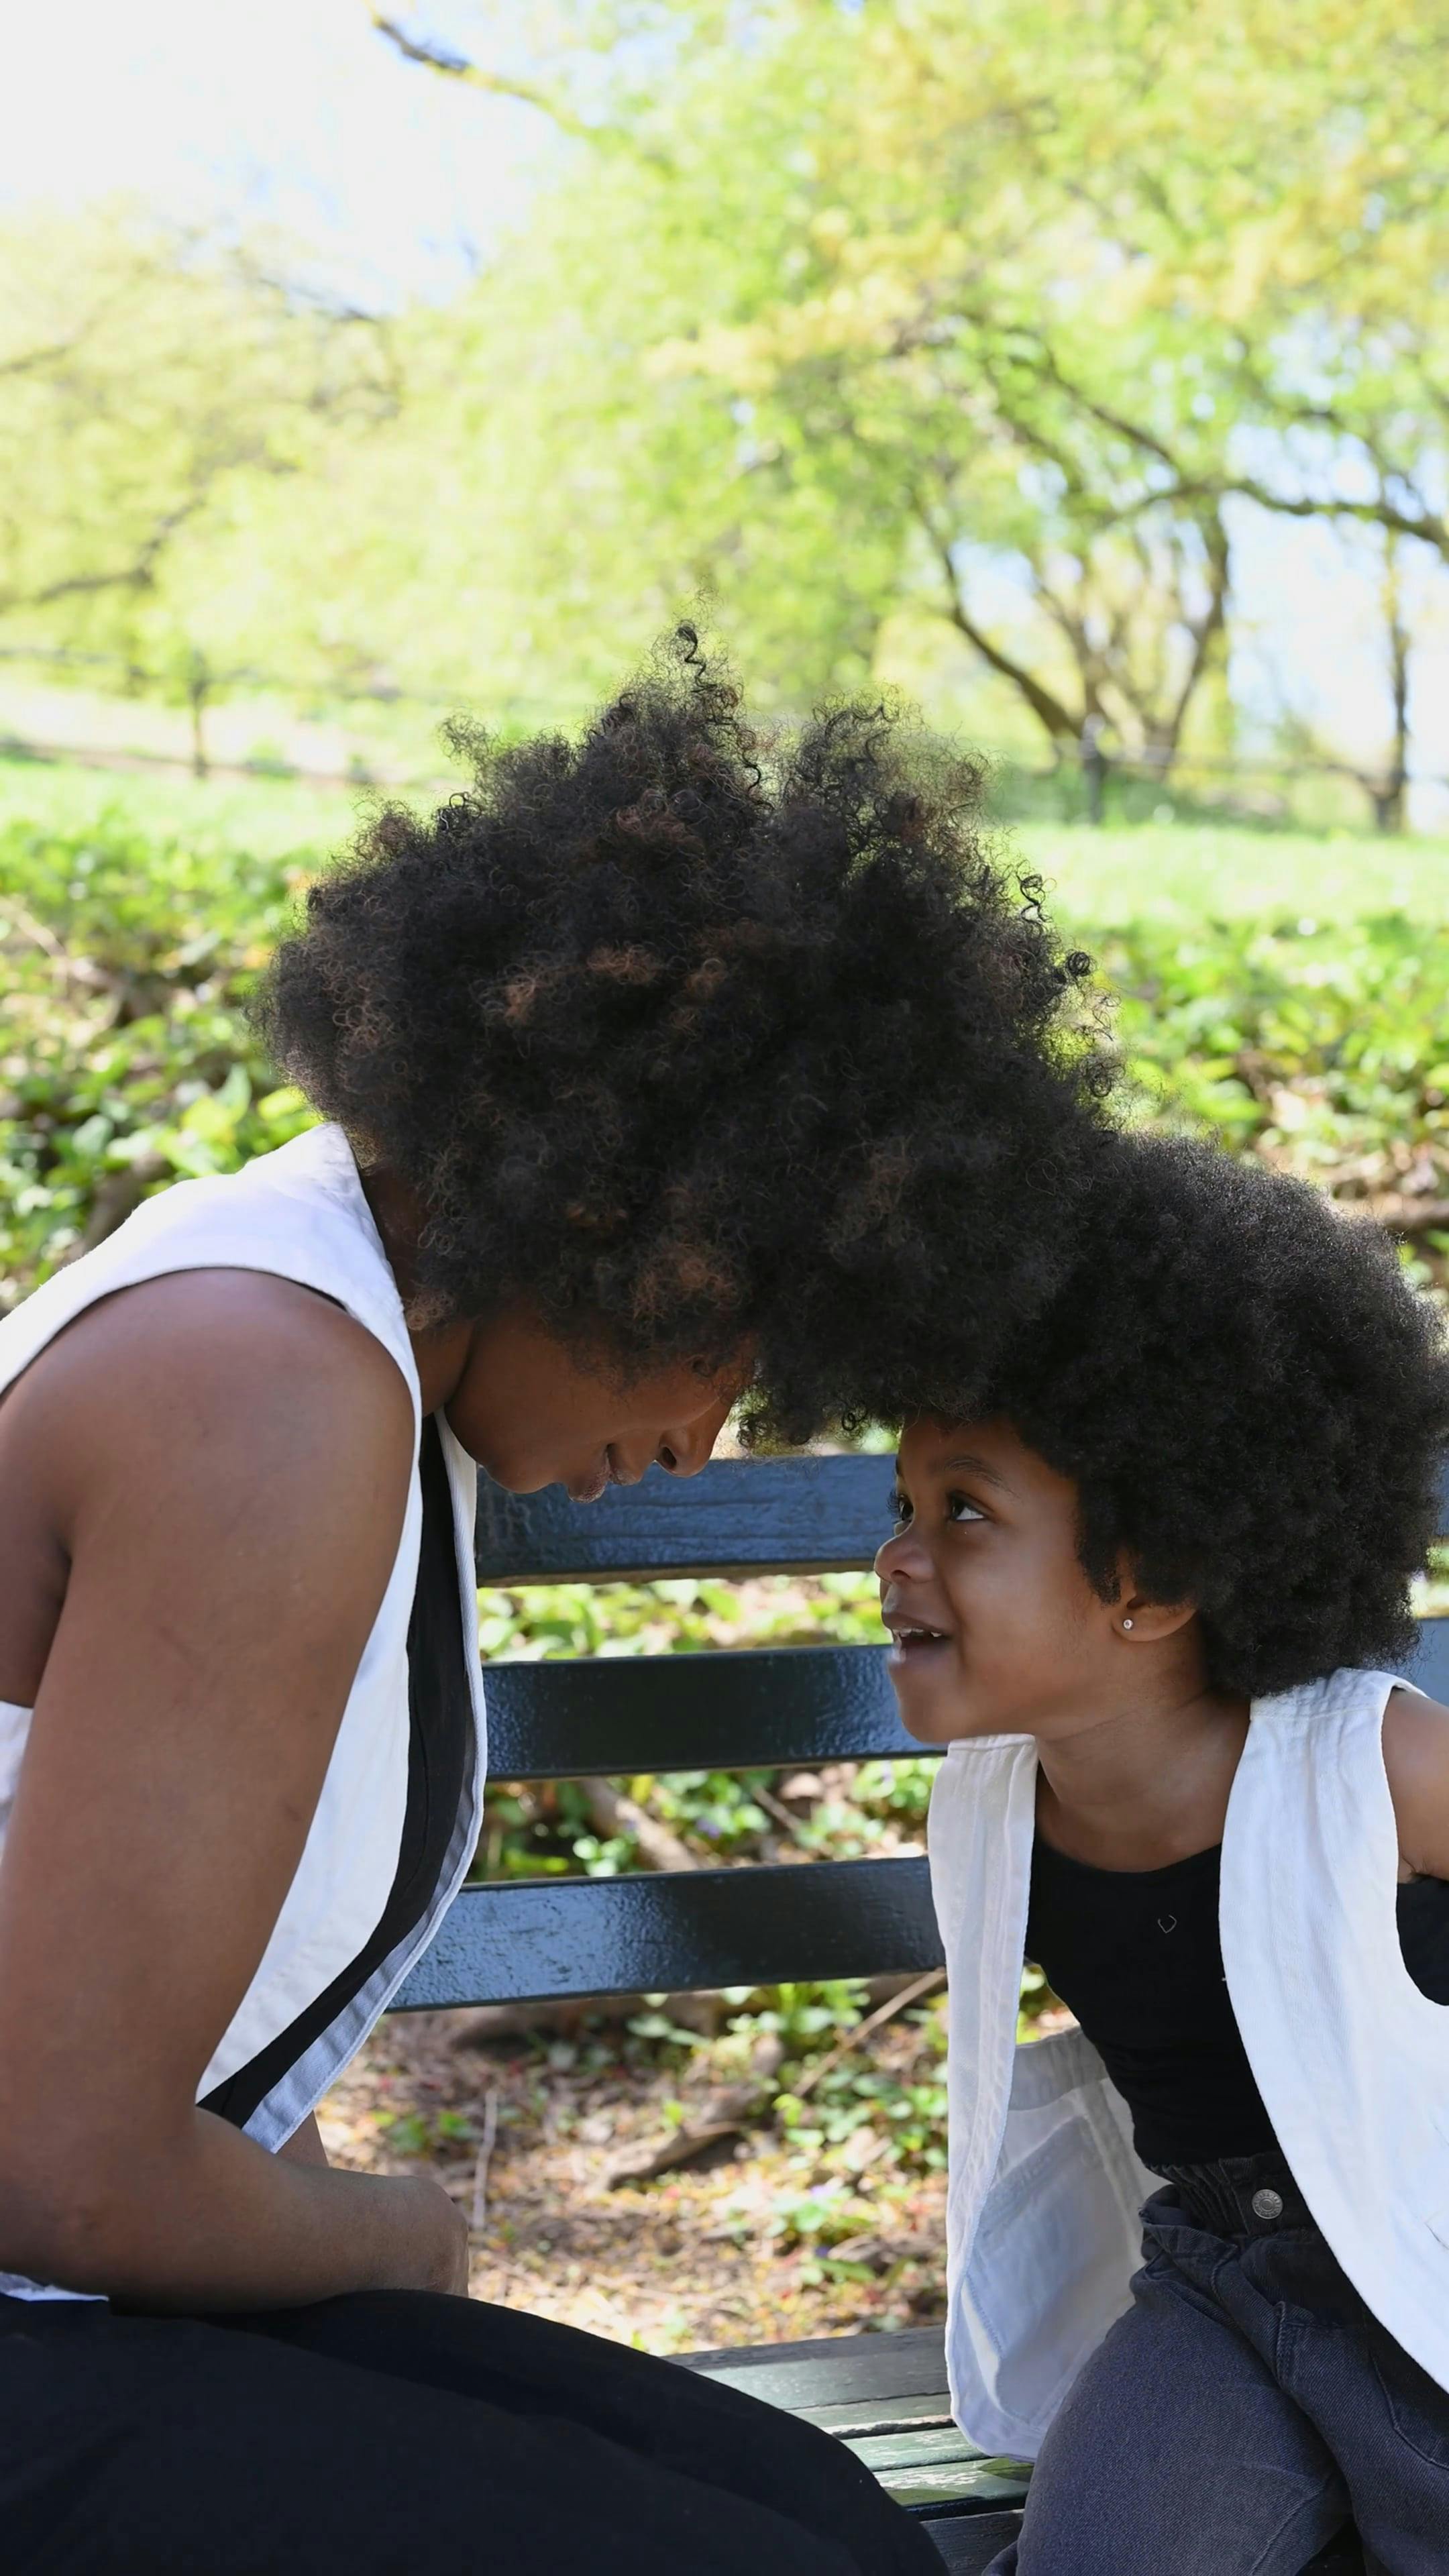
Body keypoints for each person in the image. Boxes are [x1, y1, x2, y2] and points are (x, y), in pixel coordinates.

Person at [0, 631, 1111, 2573]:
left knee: (820, 2513)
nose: (704, 1435)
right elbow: (69, 2178)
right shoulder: (266, 1394)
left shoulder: (351, 1350)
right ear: (622, 1207)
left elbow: (172, 2055)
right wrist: (409, 2243)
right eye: (735, 1333)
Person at [879, 1132, 1449, 2574]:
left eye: (966, 1511)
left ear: (1157, 1582)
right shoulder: (1002, 1800)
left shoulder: (1371, 1767)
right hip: (1218, 2286)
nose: (898, 1557)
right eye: (902, 1508)